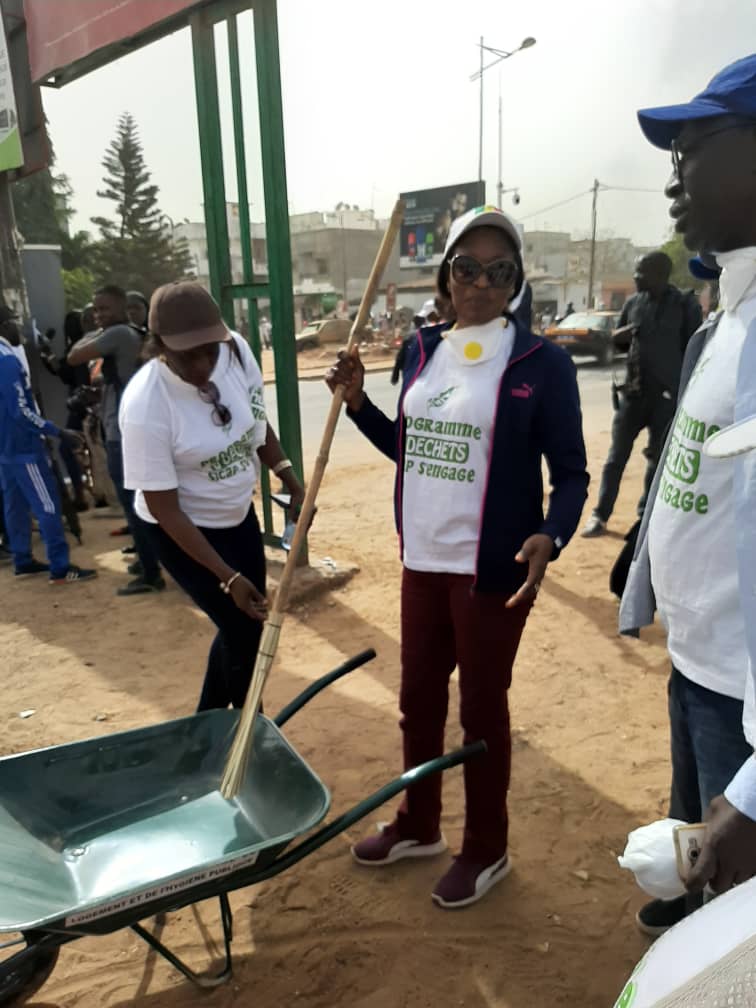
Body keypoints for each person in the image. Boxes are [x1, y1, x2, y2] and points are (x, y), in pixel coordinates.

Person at [327, 205, 588, 909]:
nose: (480, 282)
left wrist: (552, 533)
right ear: (444, 275)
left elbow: (572, 473)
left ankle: (486, 847)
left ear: (515, 282)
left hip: (491, 572)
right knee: (417, 702)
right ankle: (419, 824)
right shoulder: (421, 350)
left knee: (480, 712)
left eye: (498, 271)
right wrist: (357, 406)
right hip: (424, 563)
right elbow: (411, 450)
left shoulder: (542, 363)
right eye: (465, 267)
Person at [620, 54, 756, 934]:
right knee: (694, 854)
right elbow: (690, 473)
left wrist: (751, 795)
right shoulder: (728, 318)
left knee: (735, 910)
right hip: (699, 666)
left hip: (745, 708)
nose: (674, 174)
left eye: (694, 145)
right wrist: (644, 576)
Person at [120, 281, 306, 710]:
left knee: (242, 628)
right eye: (188, 356)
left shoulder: (236, 351)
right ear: (160, 347)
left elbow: (256, 425)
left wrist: (290, 479)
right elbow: (166, 510)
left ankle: (205, 727)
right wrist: (228, 576)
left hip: (237, 515)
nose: (204, 363)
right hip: (180, 532)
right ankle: (247, 736)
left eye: (210, 350)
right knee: (244, 631)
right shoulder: (146, 405)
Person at [581, 252, 702, 537]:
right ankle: (600, 514)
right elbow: (622, 345)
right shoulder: (634, 303)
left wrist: (681, 393)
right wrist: (618, 338)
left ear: (660, 274)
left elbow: (693, 352)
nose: (635, 277)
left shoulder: (684, 305)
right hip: (633, 394)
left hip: (666, 397)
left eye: (641, 272)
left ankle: (643, 518)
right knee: (615, 457)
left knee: (656, 459)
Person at [68, 284, 164, 595]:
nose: (98, 315)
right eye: (95, 310)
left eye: (104, 309)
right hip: (124, 428)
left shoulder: (118, 334)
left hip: (122, 435)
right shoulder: (127, 333)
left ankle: (150, 574)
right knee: (136, 503)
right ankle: (148, 561)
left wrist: (90, 332)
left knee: (132, 503)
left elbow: (73, 356)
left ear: (122, 308)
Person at [0, 304, 96, 584]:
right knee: (47, 505)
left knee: (14, 506)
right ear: (5, 326)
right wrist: (57, 431)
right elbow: (22, 411)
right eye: (15, 323)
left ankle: (23, 559)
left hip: (6, 448)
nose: (19, 329)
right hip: (24, 447)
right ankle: (60, 567)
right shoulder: (7, 361)